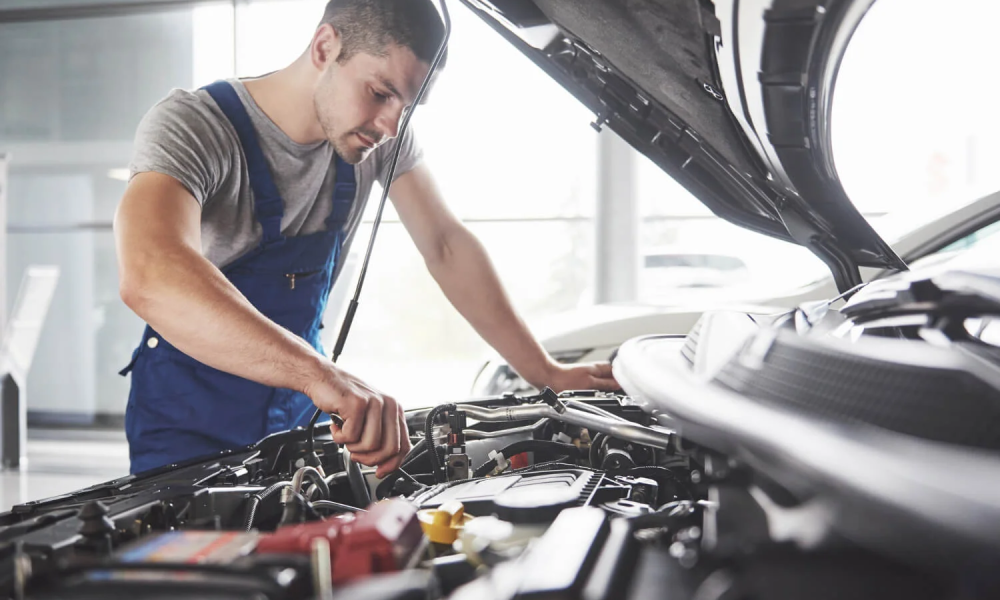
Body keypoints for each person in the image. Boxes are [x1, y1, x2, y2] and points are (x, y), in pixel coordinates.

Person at [114, 0, 619, 477]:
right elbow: (151, 272)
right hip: (185, 423)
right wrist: (321, 376)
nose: (391, 126)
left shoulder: (373, 140)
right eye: (380, 93)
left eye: (408, 105)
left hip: (292, 417)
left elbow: (445, 244)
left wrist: (544, 371)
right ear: (324, 48)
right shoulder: (195, 126)